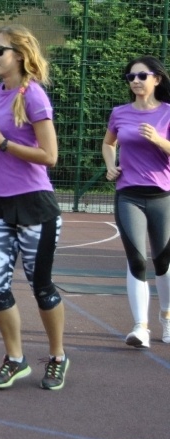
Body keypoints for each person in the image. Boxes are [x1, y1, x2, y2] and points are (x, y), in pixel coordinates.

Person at [0, 25, 68, 390]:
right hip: (0, 206)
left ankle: (57, 356)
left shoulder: (34, 96)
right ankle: (15, 359)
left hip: (36, 208)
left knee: (41, 286)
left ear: (19, 55)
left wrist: (5, 145)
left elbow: (50, 156)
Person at [102, 56, 170, 349]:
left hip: (162, 196)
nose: (135, 81)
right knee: (137, 259)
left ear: (157, 79)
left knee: (164, 261)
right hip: (128, 193)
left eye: (142, 76)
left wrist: (158, 140)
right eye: (130, 77)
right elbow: (108, 143)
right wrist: (110, 165)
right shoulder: (119, 113)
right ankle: (140, 327)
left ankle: (166, 318)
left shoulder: (167, 113)